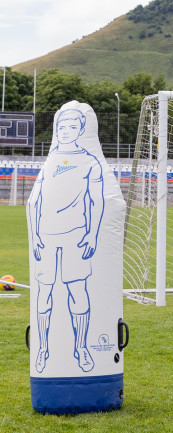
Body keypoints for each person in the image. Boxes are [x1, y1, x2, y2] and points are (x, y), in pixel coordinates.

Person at [27, 108, 105, 373]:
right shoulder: (49, 162)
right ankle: (43, 349)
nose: (65, 131)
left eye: (72, 127)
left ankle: (81, 348)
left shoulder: (90, 162)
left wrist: (92, 233)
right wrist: (35, 236)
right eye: (61, 127)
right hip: (46, 238)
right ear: (56, 129)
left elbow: (96, 200)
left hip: (76, 236)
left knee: (78, 291)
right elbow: (34, 202)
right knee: (44, 292)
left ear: (81, 130)